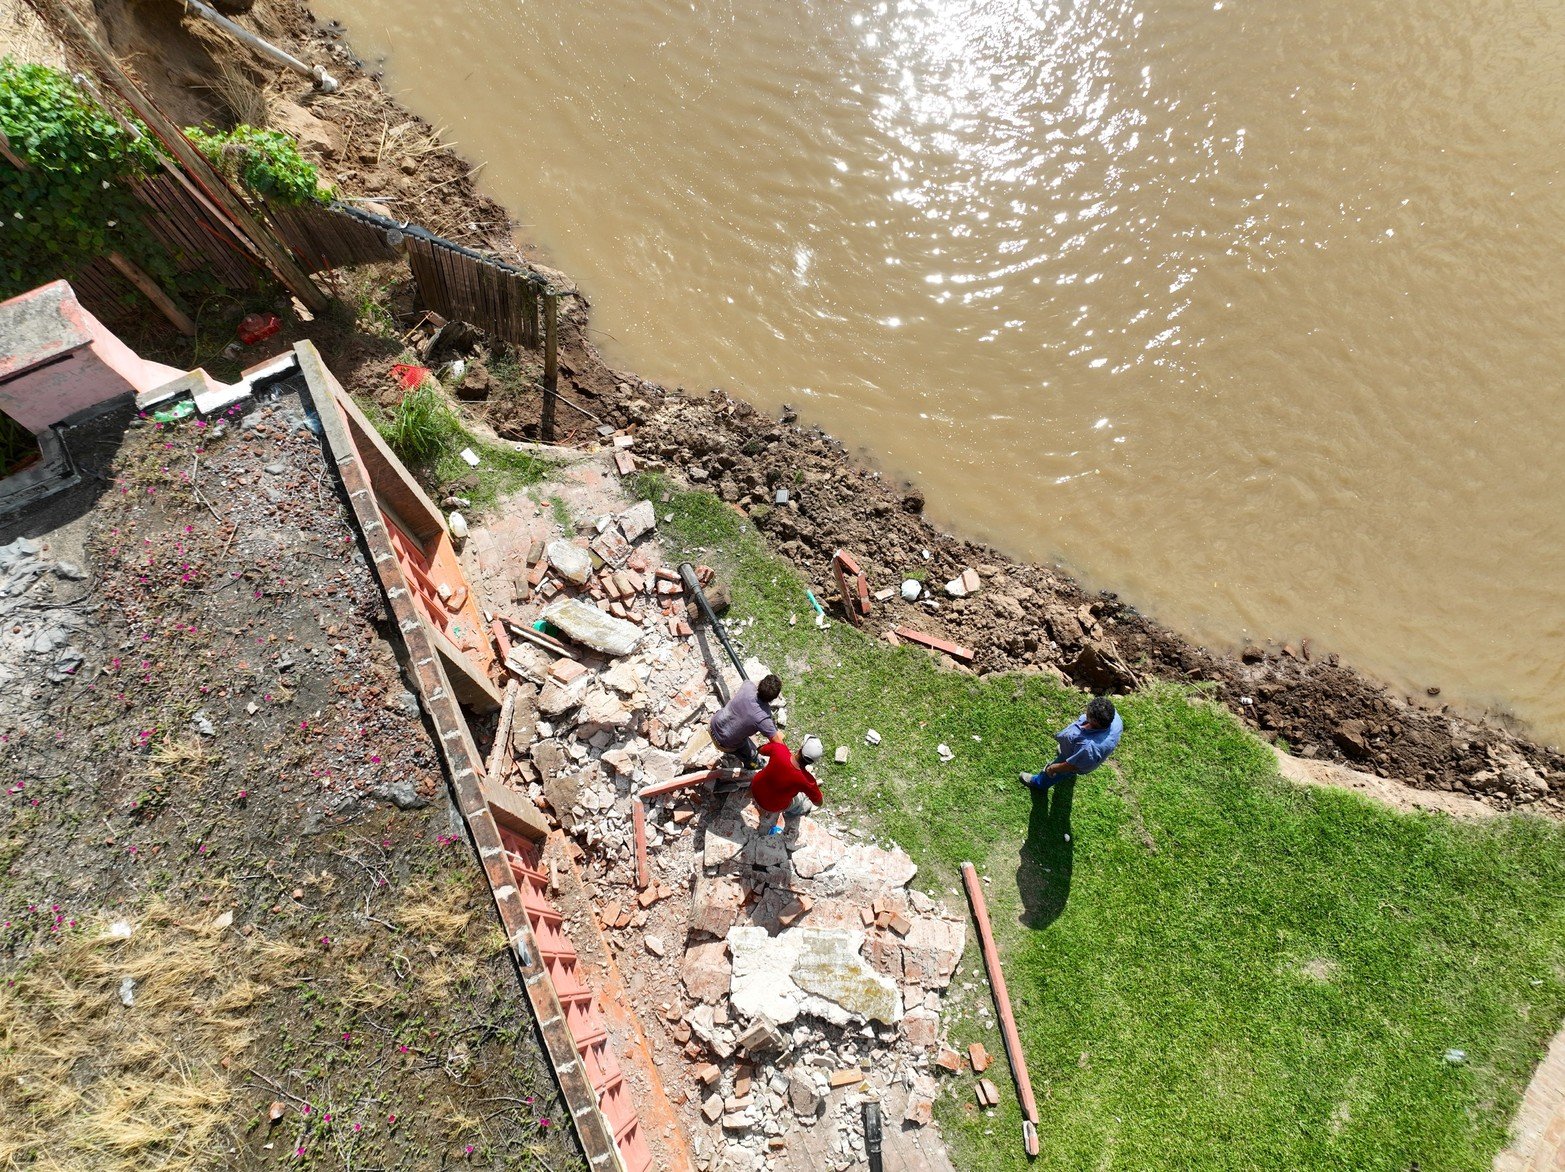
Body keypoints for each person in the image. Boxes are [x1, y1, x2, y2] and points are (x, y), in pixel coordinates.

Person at [1019, 697, 1123, 790]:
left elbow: (1072, 766)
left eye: (1088, 712)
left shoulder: (1087, 747)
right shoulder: (1114, 718)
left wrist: (1053, 768)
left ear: (1094, 721)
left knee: (1056, 771)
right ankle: (1068, 752)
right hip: (1079, 753)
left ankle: (1039, 782)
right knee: (1075, 757)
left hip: (1073, 761)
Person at [751, 734, 824, 836]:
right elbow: (818, 803)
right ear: (812, 762)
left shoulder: (780, 750)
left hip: (755, 787)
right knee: (804, 804)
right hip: (771, 806)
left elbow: (761, 750)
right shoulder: (807, 781)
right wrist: (818, 792)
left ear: (801, 747)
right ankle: (789, 815)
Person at [710, 673, 782, 768]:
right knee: (751, 755)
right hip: (724, 744)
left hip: (713, 725)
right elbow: (779, 744)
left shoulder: (747, 686)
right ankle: (753, 765)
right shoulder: (764, 718)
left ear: (760, 683)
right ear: (774, 698)